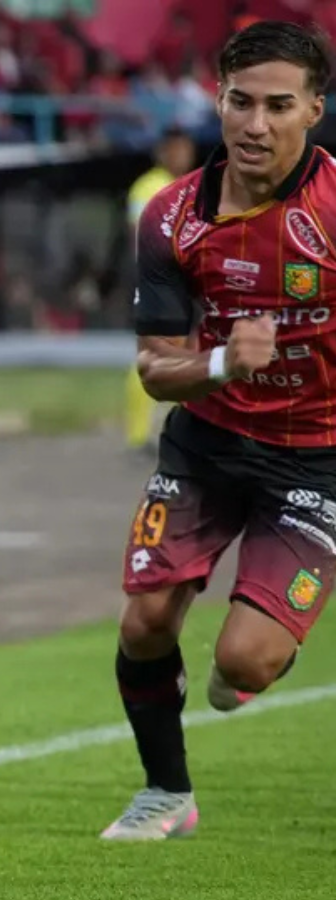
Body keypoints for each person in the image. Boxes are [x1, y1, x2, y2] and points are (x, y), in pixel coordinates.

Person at [104, 21, 334, 841]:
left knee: (244, 662)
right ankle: (165, 794)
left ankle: (261, 650)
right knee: (145, 621)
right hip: (205, 444)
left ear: (314, 110)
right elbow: (154, 366)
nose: (255, 124)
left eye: (278, 106)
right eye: (241, 102)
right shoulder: (170, 217)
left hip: (317, 458)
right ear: (218, 100)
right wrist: (221, 364)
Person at [123, 126, 197, 456]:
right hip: (160, 282)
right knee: (152, 353)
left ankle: (183, 430)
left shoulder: (190, 186)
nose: (182, 155)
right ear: (162, 151)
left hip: (185, 282)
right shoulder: (149, 186)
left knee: (189, 354)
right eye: (176, 148)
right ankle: (138, 436)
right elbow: (139, 233)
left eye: (186, 148)